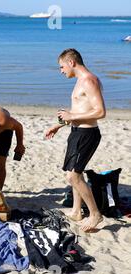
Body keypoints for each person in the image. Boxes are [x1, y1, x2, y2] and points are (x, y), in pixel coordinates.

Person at [45, 48, 106, 232]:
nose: (61, 70)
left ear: (71, 62)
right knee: (74, 175)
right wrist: (59, 124)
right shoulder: (81, 80)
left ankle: (95, 214)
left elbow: (101, 112)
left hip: (87, 134)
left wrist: (71, 116)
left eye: (61, 66)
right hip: (77, 132)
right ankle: (76, 211)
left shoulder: (89, 80)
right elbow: (78, 112)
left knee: (73, 176)